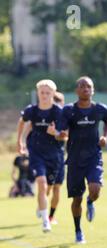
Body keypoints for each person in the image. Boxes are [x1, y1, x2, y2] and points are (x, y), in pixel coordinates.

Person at [57, 77, 107, 244]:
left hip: (93, 156)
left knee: (95, 189)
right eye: (82, 86)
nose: (85, 89)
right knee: (76, 199)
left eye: (89, 86)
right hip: (74, 159)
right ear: (76, 90)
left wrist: (105, 136)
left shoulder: (100, 109)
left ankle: (90, 201)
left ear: (93, 90)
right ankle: (78, 230)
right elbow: (62, 130)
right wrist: (61, 134)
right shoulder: (68, 110)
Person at [16, 79, 63, 232]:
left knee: (49, 187)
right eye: (41, 92)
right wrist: (19, 141)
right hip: (36, 153)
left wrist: (55, 133)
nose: (44, 95)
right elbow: (22, 122)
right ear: (37, 93)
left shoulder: (58, 112)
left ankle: (41, 206)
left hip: (54, 154)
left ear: (53, 94)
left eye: (47, 93)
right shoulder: (32, 110)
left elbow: (66, 135)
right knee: (41, 184)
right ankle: (45, 221)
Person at [47, 91, 66, 224]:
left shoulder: (65, 119)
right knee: (47, 186)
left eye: (60, 103)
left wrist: (58, 133)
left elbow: (66, 135)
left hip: (59, 156)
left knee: (57, 186)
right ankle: (42, 204)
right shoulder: (45, 117)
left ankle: (51, 216)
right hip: (45, 156)